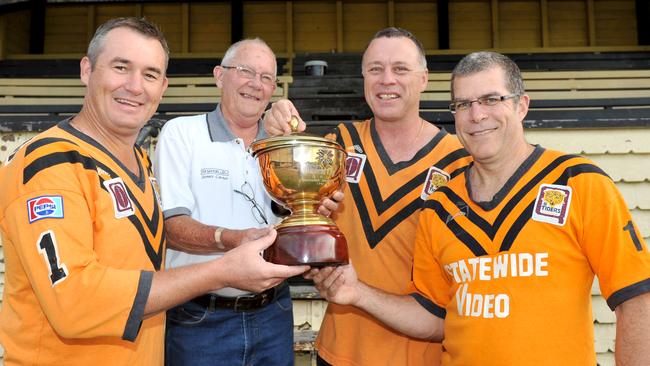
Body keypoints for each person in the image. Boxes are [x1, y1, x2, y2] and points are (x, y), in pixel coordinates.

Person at [306, 51, 650, 365]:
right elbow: (433, 317)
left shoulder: (578, 183)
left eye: (491, 99)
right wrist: (357, 293)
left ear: (522, 105)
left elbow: (636, 297)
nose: (477, 114)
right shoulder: (440, 205)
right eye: (463, 104)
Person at [0, 18, 308, 366]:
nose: (135, 86)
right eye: (121, 67)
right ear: (87, 70)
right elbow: (74, 302)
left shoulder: (139, 163)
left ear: (163, 87)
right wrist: (221, 270)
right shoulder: (48, 163)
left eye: (149, 74)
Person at [264, 28, 471, 366]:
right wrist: (278, 131)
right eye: (375, 69)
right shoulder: (337, 145)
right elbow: (290, 217)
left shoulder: (460, 160)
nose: (386, 79)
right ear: (363, 78)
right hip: (340, 350)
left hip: (426, 355)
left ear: (424, 79)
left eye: (400, 69)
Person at [154, 38, 339, 366]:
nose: (256, 84)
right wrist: (234, 240)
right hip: (199, 319)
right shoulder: (181, 134)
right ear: (219, 76)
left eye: (267, 77)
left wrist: (315, 211)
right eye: (246, 71)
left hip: (274, 311)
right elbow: (172, 228)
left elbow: (287, 214)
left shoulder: (280, 149)